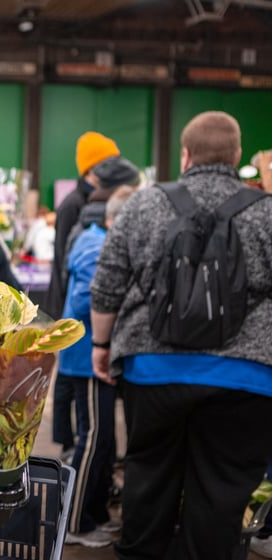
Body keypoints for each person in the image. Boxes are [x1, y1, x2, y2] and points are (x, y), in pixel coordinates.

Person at [90, 111, 272, 559]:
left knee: (148, 479)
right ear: (236, 156)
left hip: (153, 370)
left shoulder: (144, 205)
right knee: (221, 495)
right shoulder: (267, 211)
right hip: (245, 378)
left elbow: (108, 281)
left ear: (185, 156)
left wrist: (101, 345)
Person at [60, 185, 137, 548]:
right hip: (87, 359)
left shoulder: (98, 241)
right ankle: (73, 522)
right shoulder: (95, 245)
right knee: (92, 440)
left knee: (103, 439)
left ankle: (94, 513)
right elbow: (84, 301)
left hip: (95, 357)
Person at [48, 132, 122, 463]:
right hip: (72, 299)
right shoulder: (72, 205)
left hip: (79, 300)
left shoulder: (98, 198)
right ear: (92, 169)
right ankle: (65, 441)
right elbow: (64, 260)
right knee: (67, 376)